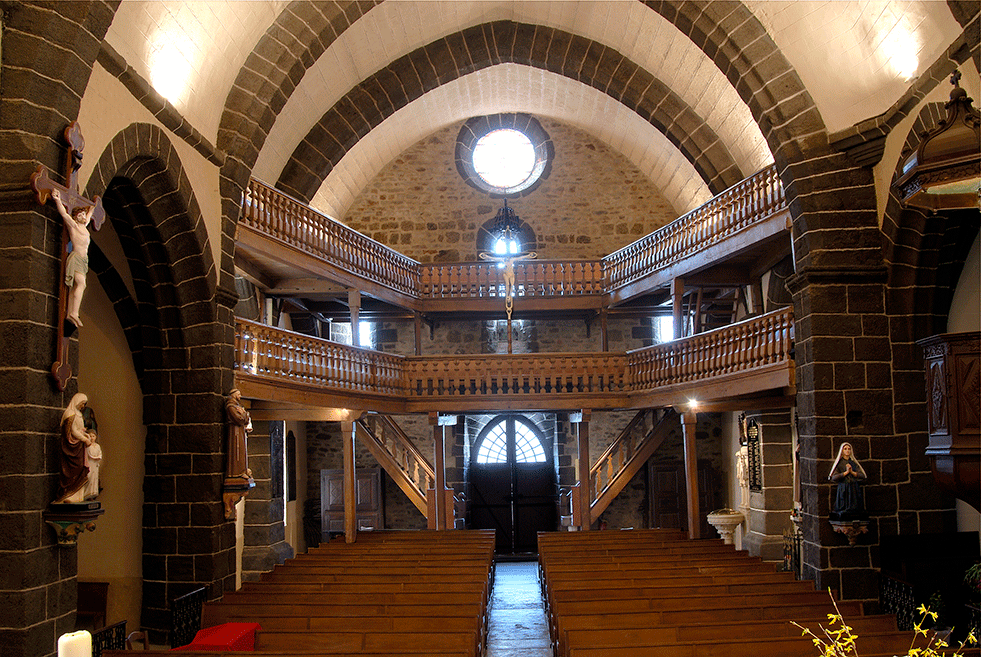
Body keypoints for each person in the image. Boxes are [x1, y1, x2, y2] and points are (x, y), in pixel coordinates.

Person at [51, 189, 95, 328]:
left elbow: (90, 214)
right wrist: (57, 199)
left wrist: (94, 206)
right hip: (76, 258)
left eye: (83, 214)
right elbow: (64, 214)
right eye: (80, 215)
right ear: (76, 217)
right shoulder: (74, 226)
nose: (83, 216)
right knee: (81, 284)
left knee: (78, 285)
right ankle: (74, 313)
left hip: (83, 261)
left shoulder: (84, 226)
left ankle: (71, 313)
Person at [55, 393, 98, 503]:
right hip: (72, 447)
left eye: (84, 404)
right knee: (73, 469)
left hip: (79, 446)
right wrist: (85, 439)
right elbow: (72, 431)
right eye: (82, 403)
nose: (82, 406)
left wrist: (86, 435)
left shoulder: (78, 414)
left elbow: (80, 429)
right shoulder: (70, 413)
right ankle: (68, 494)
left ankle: (77, 496)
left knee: (80, 469)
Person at [828, 442, 867, 519]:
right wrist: (846, 473)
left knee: (855, 507)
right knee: (843, 506)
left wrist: (852, 472)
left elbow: (862, 476)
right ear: (842, 451)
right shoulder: (839, 464)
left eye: (849, 449)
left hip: (853, 487)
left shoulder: (853, 463)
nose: (847, 451)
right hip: (843, 487)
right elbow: (834, 477)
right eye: (845, 449)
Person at [225, 389, 253, 480]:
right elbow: (239, 419)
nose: (240, 396)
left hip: (239, 431)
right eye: (239, 394)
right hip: (235, 432)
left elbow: (245, 420)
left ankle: (242, 471)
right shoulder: (231, 407)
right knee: (237, 451)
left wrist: (244, 414)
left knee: (241, 451)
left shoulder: (237, 406)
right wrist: (245, 415)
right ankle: (236, 473)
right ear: (233, 395)